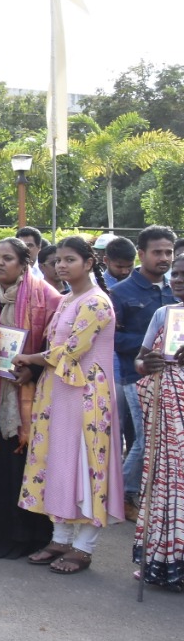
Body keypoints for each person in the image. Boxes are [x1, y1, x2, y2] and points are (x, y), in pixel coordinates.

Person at [17, 236, 123, 575]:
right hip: (59, 392)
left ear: (89, 263)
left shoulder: (97, 302)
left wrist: (29, 358)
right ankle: (60, 538)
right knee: (58, 462)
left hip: (87, 397)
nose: (62, 265)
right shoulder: (66, 299)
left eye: (70, 260)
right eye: (58, 260)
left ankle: (84, 547)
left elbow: (70, 351)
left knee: (86, 464)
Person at [0, 238, 61, 559]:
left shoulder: (47, 296)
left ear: (24, 263)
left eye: (7, 258)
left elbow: (56, 343)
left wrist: (33, 369)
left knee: (20, 465)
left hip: (26, 394)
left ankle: (23, 536)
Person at [110, 225, 176, 522]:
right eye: (157, 252)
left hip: (173, 381)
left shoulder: (174, 288)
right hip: (134, 378)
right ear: (141, 254)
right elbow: (111, 338)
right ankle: (123, 495)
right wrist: (154, 344)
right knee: (145, 438)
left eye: (169, 252)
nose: (164, 258)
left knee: (161, 438)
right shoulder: (120, 292)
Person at [130, 253, 184, 592]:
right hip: (167, 412)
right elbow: (140, 360)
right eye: (175, 274)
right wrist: (146, 364)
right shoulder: (165, 314)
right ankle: (165, 559)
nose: (178, 280)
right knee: (169, 484)